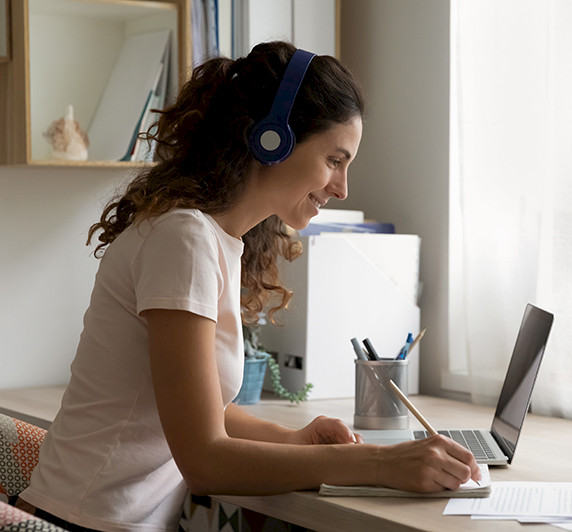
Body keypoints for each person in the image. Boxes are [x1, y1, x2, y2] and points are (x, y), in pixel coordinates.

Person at [18, 41, 480, 532]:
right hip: (77, 523)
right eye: (334, 160)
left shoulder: (210, 239)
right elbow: (204, 460)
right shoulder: (183, 238)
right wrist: (384, 466)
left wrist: (294, 439)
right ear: (271, 139)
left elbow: (198, 414)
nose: (342, 187)